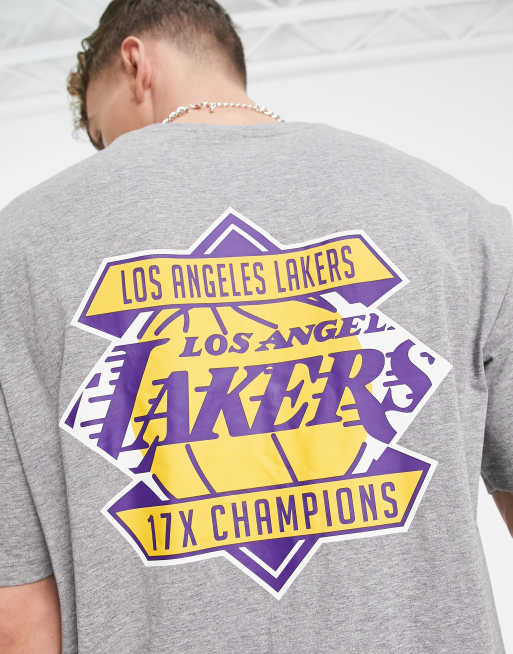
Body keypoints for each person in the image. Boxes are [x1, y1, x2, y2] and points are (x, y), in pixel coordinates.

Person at [0, 0, 511, 652]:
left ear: (136, 65)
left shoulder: (18, 252)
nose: (109, 155)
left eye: (103, 132)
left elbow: (19, 619)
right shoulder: (458, 221)